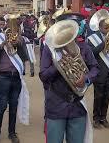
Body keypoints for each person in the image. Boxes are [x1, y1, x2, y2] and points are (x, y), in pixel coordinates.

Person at [40, 14, 98, 143]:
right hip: (56, 105)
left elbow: (95, 68)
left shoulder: (84, 47)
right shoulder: (49, 50)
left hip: (77, 106)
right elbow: (43, 76)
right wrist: (59, 65)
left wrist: (86, 79)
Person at [0, 15, 29, 143]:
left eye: (15, 27)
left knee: (14, 106)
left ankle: (12, 133)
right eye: (11, 26)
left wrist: (19, 45)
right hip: (4, 76)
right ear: (7, 26)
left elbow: (25, 57)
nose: (13, 29)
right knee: (1, 107)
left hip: (16, 77)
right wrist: (2, 46)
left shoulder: (21, 39)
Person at [87, 17, 109, 129]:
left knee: (106, 96)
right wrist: (104, 43)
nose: (108, 30)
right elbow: (91, 53)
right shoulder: (92, 38)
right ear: (99, 27)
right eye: (106, 27)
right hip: (99, 72)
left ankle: (103, 118)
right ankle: (96, 119)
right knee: (98, 96)